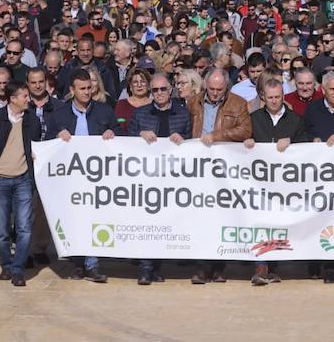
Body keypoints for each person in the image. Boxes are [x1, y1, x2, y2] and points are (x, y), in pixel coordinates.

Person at [48, 70, 118, 282]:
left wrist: (112, 133)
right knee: (74, 220)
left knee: (94, 219)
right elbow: (47, 144)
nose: (87, 92)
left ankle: (92, 264)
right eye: (82, 88)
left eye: (89, 88)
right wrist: (56, 136)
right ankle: (78, 263)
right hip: (70, 179)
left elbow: (119, 133)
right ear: (72, 90)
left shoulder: (105, 111)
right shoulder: (59, 115)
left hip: (99, 178)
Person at [187, 67, 251, 284]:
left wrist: (218, 135)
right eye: (212, 89)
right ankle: (202, 267)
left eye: (219, 90)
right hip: (197, 166)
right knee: (201, 216)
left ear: (226, 87)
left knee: (222, 216)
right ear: (205, 85)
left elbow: (245, 131)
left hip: (225, 168)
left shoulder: (238, 103)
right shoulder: (193, 102)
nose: (214, 93)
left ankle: (219, 267)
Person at [243, 73, 307, 285]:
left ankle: (273, 266)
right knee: (261, 221)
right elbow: (240, 138)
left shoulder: (295, 120)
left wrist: (292, 141)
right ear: (263, 96)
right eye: (270, 97)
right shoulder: (253, 119)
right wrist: (247, 141)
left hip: (286, 185)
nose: (274, 101)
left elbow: (308, 146)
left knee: (279, 223)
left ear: (282, 96)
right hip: (258, 183)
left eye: (278, 97)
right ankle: (261, 267)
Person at [130, 71, 193, 285]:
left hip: (175, 179)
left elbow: (193, 144)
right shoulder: (140, 114)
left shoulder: (184, 113)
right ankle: (145, 268)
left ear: (171, 89)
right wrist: (139, 136)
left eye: (163, 89)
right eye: (155, 89)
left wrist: (183, 139)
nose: (159, 93)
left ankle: (156, 267)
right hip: (148, 178)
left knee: (165, 222)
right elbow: (125, 143)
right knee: (149, 221)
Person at [0, 81, 44, 287]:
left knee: (24, 227)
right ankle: (6, 264)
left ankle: (17, 269)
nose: (28, 99)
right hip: (0, 179)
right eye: (24, 96)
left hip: (23, 179)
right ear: (12, 98)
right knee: (1, 228)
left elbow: (35, 146)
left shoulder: (32, 120)